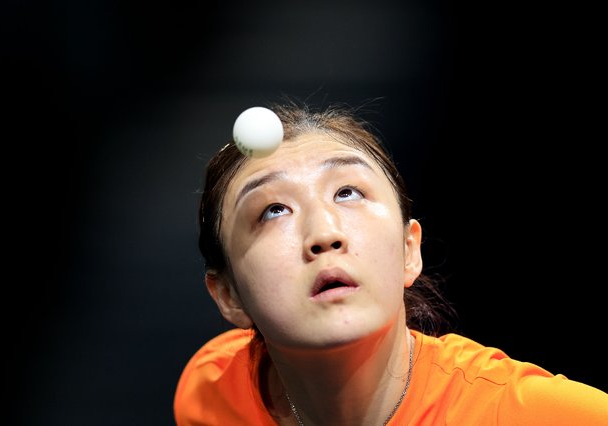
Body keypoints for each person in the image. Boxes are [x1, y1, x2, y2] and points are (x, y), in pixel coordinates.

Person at [173, 100, 608, 425]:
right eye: (273, 210)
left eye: (348, 192)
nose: (324, 234)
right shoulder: (211, 392)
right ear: (228, 295)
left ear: (408, 250)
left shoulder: (537, 414)